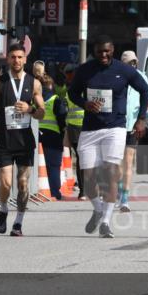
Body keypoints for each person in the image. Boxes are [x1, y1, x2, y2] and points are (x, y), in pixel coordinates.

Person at [67, 36, 148, 238]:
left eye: (107, 51)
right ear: (94, 51)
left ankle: (105, 222)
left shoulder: (124, 70)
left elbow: (145, 90)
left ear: (113, 50)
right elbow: (72, 93)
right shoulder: (85, 70)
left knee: (111, 173)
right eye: (99, 51)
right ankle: (97, 209)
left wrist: (141, 118)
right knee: (88, 179)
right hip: (90, 129)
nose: (103, 55)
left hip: (115, 128)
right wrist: (85, 104)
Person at [0, 43, 46, 236]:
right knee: (6, 184)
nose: (16, 60)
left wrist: (30, 109)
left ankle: (18, 222)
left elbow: (42, 112)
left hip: (24, 142)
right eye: (13, 57)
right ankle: (3, 208)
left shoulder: (34, 83)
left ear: (25, 59)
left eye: (20, 57)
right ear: (8, 59)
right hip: (4, 142)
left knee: (23, 184)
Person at [117, 50, 148, 213]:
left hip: (132, 125)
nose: (132, 65)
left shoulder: (141, 77)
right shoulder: (117, 77)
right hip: (116, 125)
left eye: (134, 62)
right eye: (129, 63)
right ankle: (118, 191)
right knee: (117, 163)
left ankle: (125, 198)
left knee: (128, 162)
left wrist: (142, 118)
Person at [38, 74, 68, 200]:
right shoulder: (55, 99)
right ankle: (54, 191)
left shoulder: (35, 99)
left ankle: (38, 191)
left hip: (36, 134)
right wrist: (63, 132)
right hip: (52, 135)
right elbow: (61, 117)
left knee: (38, 165)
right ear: (51, 85)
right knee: (53, 165)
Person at [63, 63, 86, 198]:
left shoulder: (70, 89)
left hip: (75, 128)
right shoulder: (85, 88)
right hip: (83, 127)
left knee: (81, 158)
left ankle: (83, 190)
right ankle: (85, 189)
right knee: (85, 158)